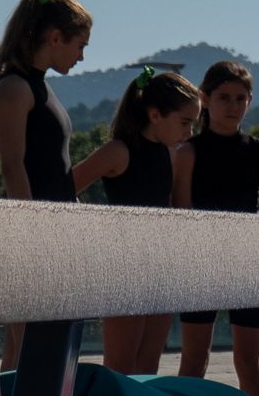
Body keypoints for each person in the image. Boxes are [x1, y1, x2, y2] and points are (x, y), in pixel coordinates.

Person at [0, 0, 91, 368]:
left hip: (54, 228)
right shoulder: (14, 87)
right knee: (29, 346)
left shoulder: (42, 87)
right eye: (80, 45)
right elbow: (13, 165)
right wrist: (30, 230)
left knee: (29, 347)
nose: (82, 56)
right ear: (54, 37)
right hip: (30, 231)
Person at [73, 66, 201, 375]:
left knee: (148, 366)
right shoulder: (118, 151)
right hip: (124, 267)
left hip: (160, 266)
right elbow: (63, 190)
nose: (189, 132)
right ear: (155, 114)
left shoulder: (171, 154)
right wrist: (95, 231)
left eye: (193, 124)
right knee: (120, 365)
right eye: (185, 122)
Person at [175, 59, 259, 394]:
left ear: (250, 101)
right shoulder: (188, 152)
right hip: (200, 263)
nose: (232, 106)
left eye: (240, 98)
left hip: (249, 265)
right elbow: (182, 216)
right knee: (194, 360)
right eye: (224, 97)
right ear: (204, 98)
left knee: (249, 361)